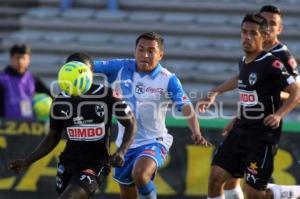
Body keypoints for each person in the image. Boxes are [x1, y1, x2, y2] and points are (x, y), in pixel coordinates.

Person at [94, 32, 211, 199]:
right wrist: (75, 64)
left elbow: (186, 106)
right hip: (125, 145)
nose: (145, 55)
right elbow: (89, 66)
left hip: (154, 140)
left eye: (151, 51)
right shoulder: (120, 67)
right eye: (141, 50)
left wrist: (196, 132)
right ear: (135, 51)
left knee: (140, 175)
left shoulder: (168, 79)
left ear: (160, 55)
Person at [8, 53, 137, 199]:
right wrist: (27, 161)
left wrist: (122, 151)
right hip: (68, 162)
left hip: (96, 164)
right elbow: (52, 137)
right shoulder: (59, 101)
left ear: (91, 73)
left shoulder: (107, 94)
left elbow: (131, 123)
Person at [199, 14, 300, 199]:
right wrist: (215, 92)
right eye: (244, 32)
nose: (247, 37)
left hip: (261, 139)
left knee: (254, 194)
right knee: (215, 177)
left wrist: (279, 114)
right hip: (240, 132)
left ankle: (289, 192)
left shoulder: (272, 63)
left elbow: (296, 92)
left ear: (263, 36)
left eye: (253, 33)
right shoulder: (243, 61)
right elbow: (240, 80)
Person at [0, 44, 50, 120]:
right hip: (6, 127)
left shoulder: (33, 79)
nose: (20, 61)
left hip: (30, 127)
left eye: (23, 58)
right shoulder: (2, 79)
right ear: (11, 58)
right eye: (17, 57)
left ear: (29, 60)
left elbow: (49, 95)